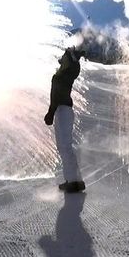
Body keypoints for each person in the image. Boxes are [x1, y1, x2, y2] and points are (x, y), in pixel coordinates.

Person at [44, 47, 86, 193]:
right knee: (65, 147)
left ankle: (73, 181)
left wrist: (50, 113)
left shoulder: (63, 75)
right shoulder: (63, 74)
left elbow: (57, 96)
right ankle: (75, 180)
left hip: (63, 111)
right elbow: (73, 70)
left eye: (64, 56)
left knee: (64, 147)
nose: (61, 58)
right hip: (63, 111)